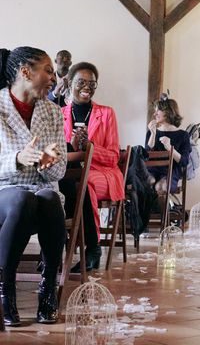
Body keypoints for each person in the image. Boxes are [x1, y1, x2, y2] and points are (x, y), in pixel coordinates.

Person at [0, 47, 67, 326]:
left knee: (51, 197)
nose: (53, 78)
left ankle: (48, 290)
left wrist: (49, 161)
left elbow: (60, 171)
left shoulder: (53, 111)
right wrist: (17, 158)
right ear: (25, 72)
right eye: (48, 70)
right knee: (21, 200)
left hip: (40, 191)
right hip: (5, 192)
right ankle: (6, 291)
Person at [61, 62, 123, 272]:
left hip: (103, 173)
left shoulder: (106, 113)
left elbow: (114, 157)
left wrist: (90, 147)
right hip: (70, 171)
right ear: (70, 83)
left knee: (85, 183)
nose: (87, 87)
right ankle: (61, 242)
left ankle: (92, 248)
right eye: (81, 82)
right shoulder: (58, 113)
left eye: (92, 83)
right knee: (63, 185)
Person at [146, 96, 191, 195]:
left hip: (171, 172)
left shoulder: (183, 135)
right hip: (152, 171)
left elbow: (184, 161)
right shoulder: (151, 132)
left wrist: (170, 149)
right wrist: (153, 134)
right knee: (147, 182)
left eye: (158, 111)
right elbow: (145, 156)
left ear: (168, 112)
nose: (155, 114)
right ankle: (145, 210)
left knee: (161, 186)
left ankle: (160, 210)